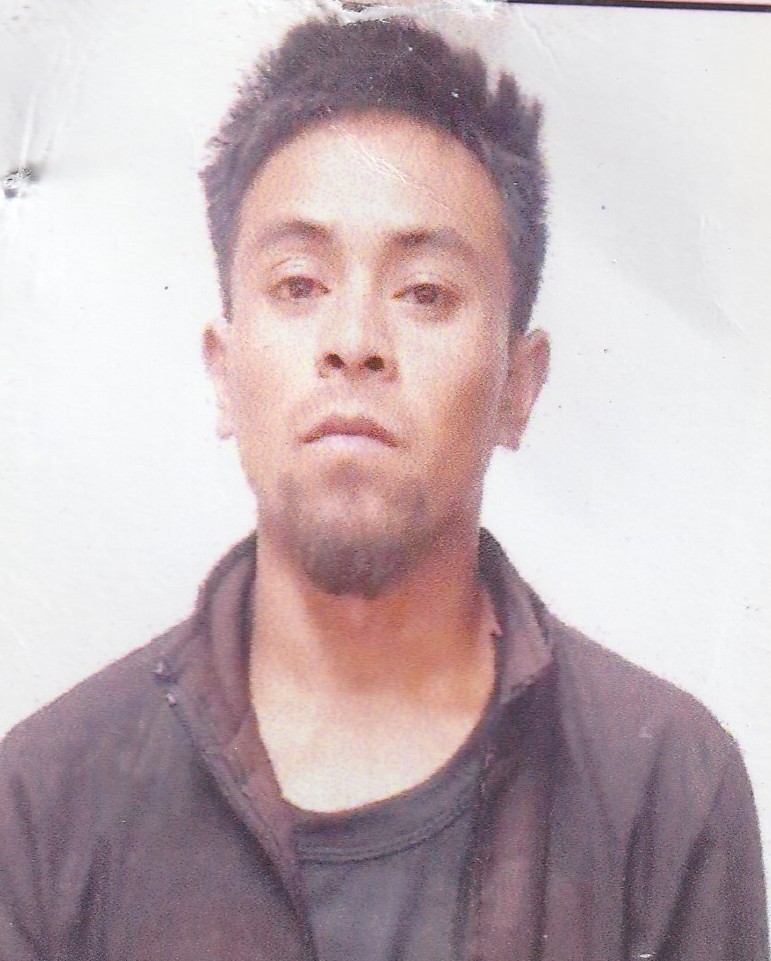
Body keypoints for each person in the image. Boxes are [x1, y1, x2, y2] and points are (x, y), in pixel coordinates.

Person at [0, 13, 767, 961]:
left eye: (425, 292)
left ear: (518, 387)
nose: (354, 340)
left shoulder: (667, 786)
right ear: (224, 372)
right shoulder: (42, 800)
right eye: (298, 283)